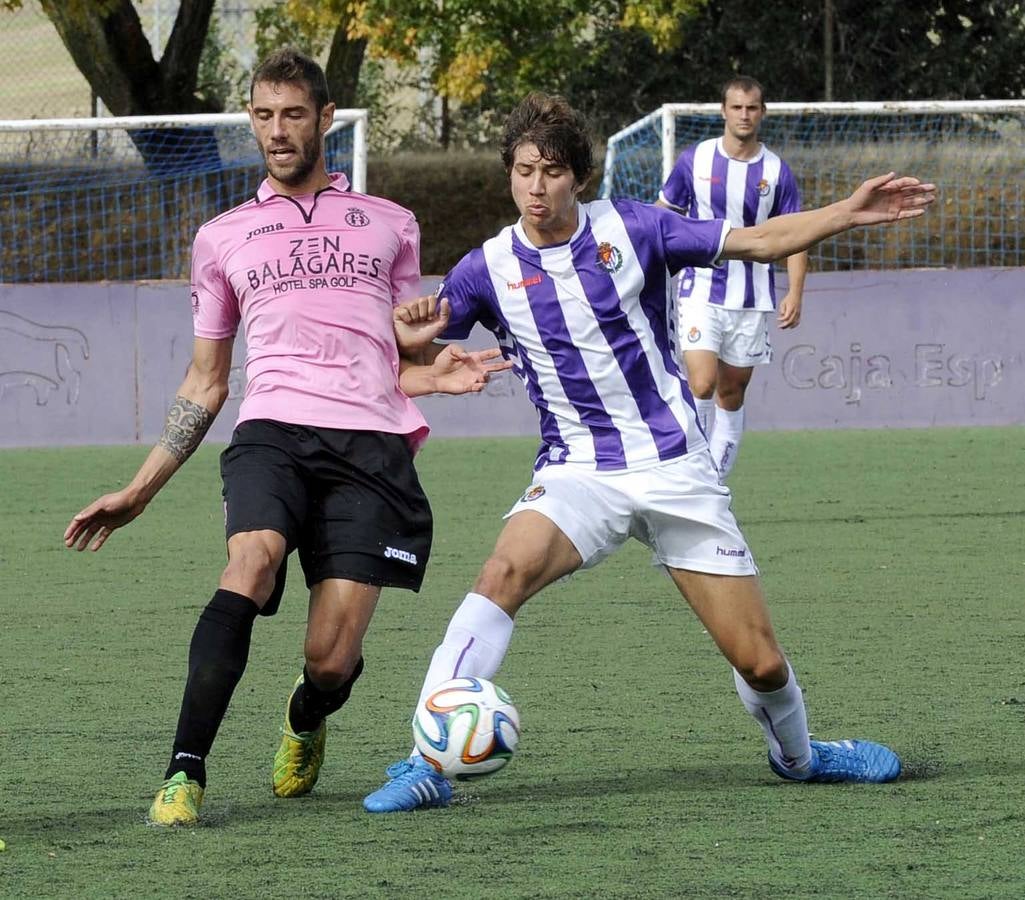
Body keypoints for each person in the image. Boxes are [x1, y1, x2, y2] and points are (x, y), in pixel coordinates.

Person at [362, 91, 934, 813]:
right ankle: (426, 760)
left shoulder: (636, 227)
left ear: (579, 177)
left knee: (758, 660)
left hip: (672, 465)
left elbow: (752, 242)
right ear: (508, 175)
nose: (536, 188)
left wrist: (843, 213)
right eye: (523, 171)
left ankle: (800, 756)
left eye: (552, 172)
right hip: (576, 472)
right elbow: (406, 344)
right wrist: (409, 323)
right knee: (501, 570)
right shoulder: (486, 268)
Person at [62, 48, 508, 827]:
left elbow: (395, 355)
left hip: (371, 447)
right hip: (271, 432)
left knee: (330, 659)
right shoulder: (222, 237)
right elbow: (206, 381)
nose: (277, 131)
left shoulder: (390, 225)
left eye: (292, 115)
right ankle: (183, 773)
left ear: (325, 119)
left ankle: (307, 715)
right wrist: (140, 488)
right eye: (263, 116)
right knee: (251, 562)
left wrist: (436, 368)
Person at [656, 76, 807, 478]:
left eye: (752, 107)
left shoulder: (776, 171)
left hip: (752, 297)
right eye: (737, 107)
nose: (744, 115)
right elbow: (664, 214)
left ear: (762, 113)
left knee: (731, 391)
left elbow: (794, 234)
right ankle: (692, 473)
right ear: (723, 111)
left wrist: (795, 290)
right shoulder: (696, 160)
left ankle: (715, 482)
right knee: (701, 383)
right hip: (698, 290)